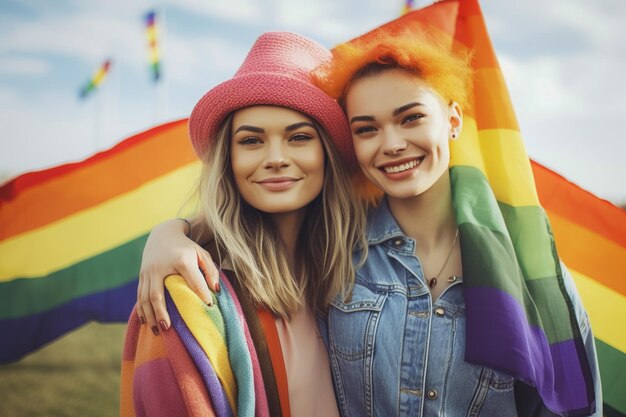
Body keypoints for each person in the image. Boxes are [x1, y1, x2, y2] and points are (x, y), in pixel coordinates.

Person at [136, 31, 602, 417]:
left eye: (412, 118)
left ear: (453, 120)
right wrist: (171, 234)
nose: (393, 143)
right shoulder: (341, 258)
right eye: (366, 128)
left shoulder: (528, 269)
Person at [120, 31, 366, 417]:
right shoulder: (190, 294)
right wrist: (170, 232)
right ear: (228, 160)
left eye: (299, 137)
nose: (276, 158)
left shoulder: (357, 270)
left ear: (328, 154)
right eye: (251, 141)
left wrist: (172, 229)